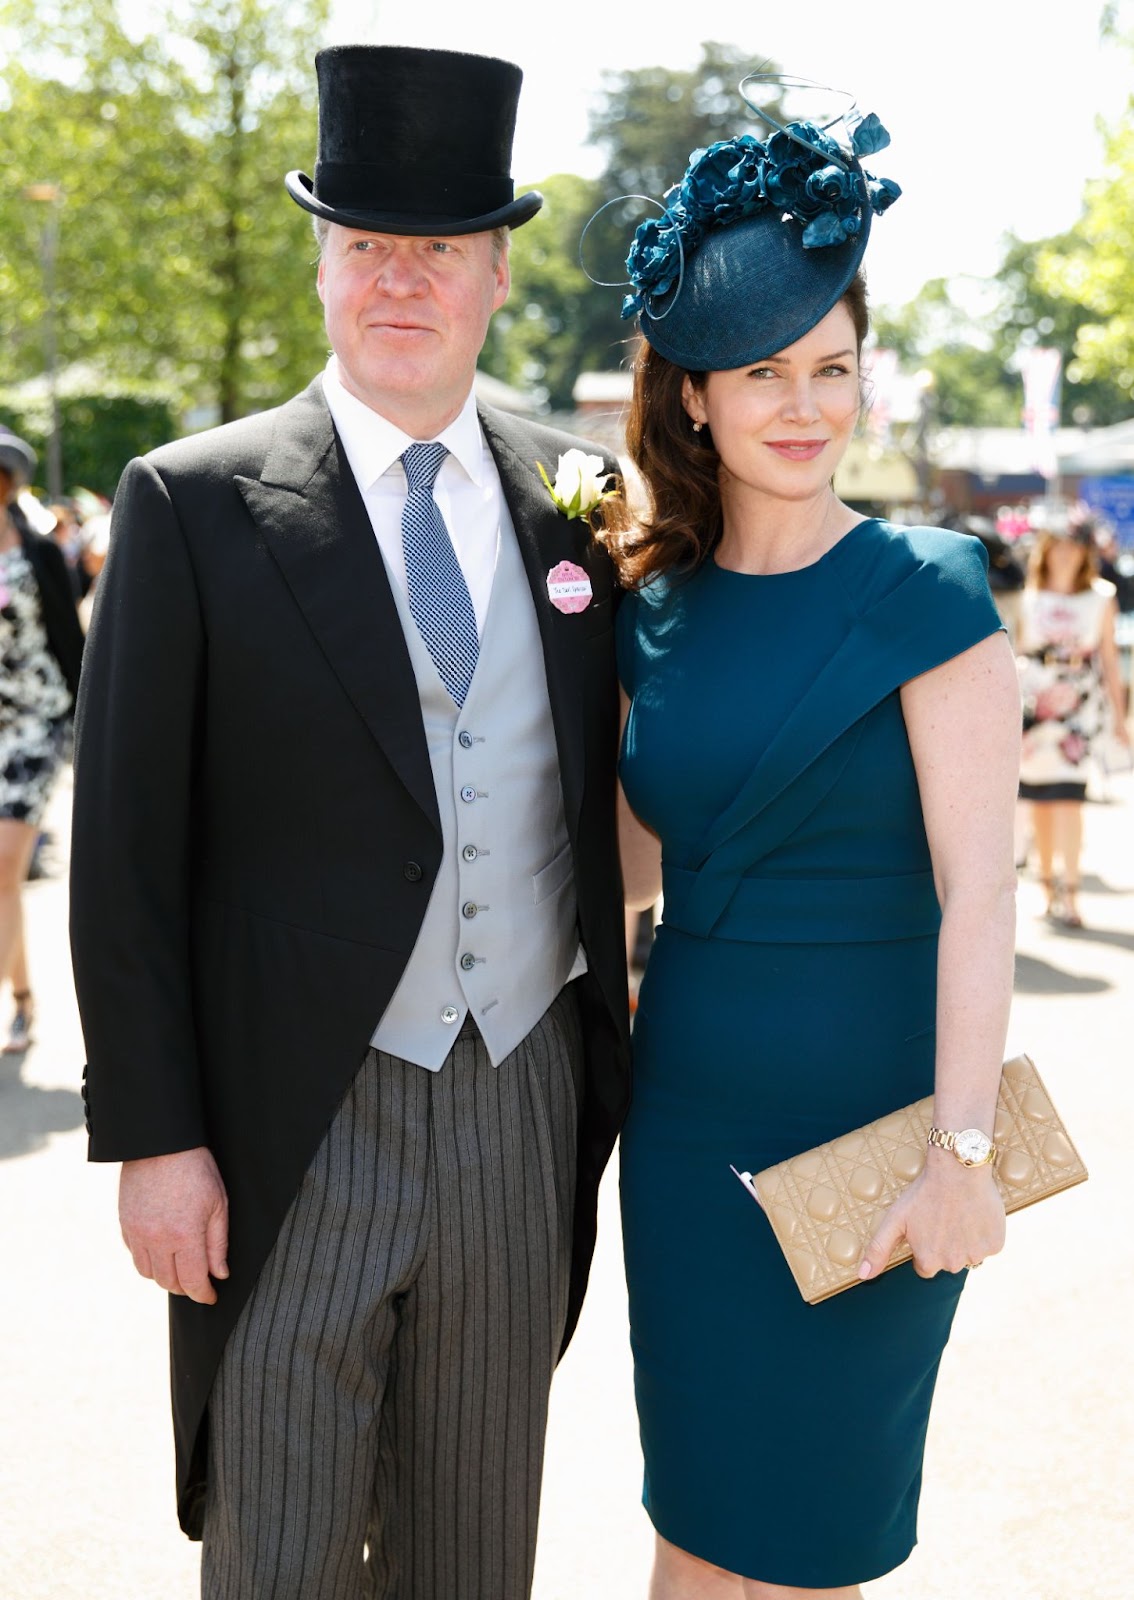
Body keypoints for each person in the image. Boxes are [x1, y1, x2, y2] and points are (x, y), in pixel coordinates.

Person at [70, 46, 630, 1600]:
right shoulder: (192, 501)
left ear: (496, 273)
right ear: (321, 261)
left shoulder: (579, 490)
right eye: (366, 244)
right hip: (289, 1121)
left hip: (520, 1098)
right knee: (282, 1553)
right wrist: (158, 1138)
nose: (401, 281)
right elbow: (120, 856)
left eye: (437, 248)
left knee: (474, 1555)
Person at [603, 89, 1021, 1598]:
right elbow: (634, 867)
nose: (802, 403)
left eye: (832, 367)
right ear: (692, 394)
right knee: (694, 1530)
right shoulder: (647, 610)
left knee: (810, 1546)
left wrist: (963, 1155)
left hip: (881, 1137)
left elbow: (984, 891)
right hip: (687, 1129)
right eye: (761, 369)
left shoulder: (928, 588)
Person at [0, 430, 83, 1052]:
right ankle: (23, 998)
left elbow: (72, 645)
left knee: (5, 864)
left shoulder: (37, 555)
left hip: (36, 725)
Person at [1016, 523, 1130, 928]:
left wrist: (1120, 718)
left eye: (1072, 548)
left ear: (1085, 554)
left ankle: (1072, 890)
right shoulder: (1026, 598)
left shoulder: (1101, 597)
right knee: (1039, 802)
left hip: (1079, 708)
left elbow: (1110, 661)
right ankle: (1047, 889)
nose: (1065, 556)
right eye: (1057, 548)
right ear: (1044, 552)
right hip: (1034, 704)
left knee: (1070, 799)